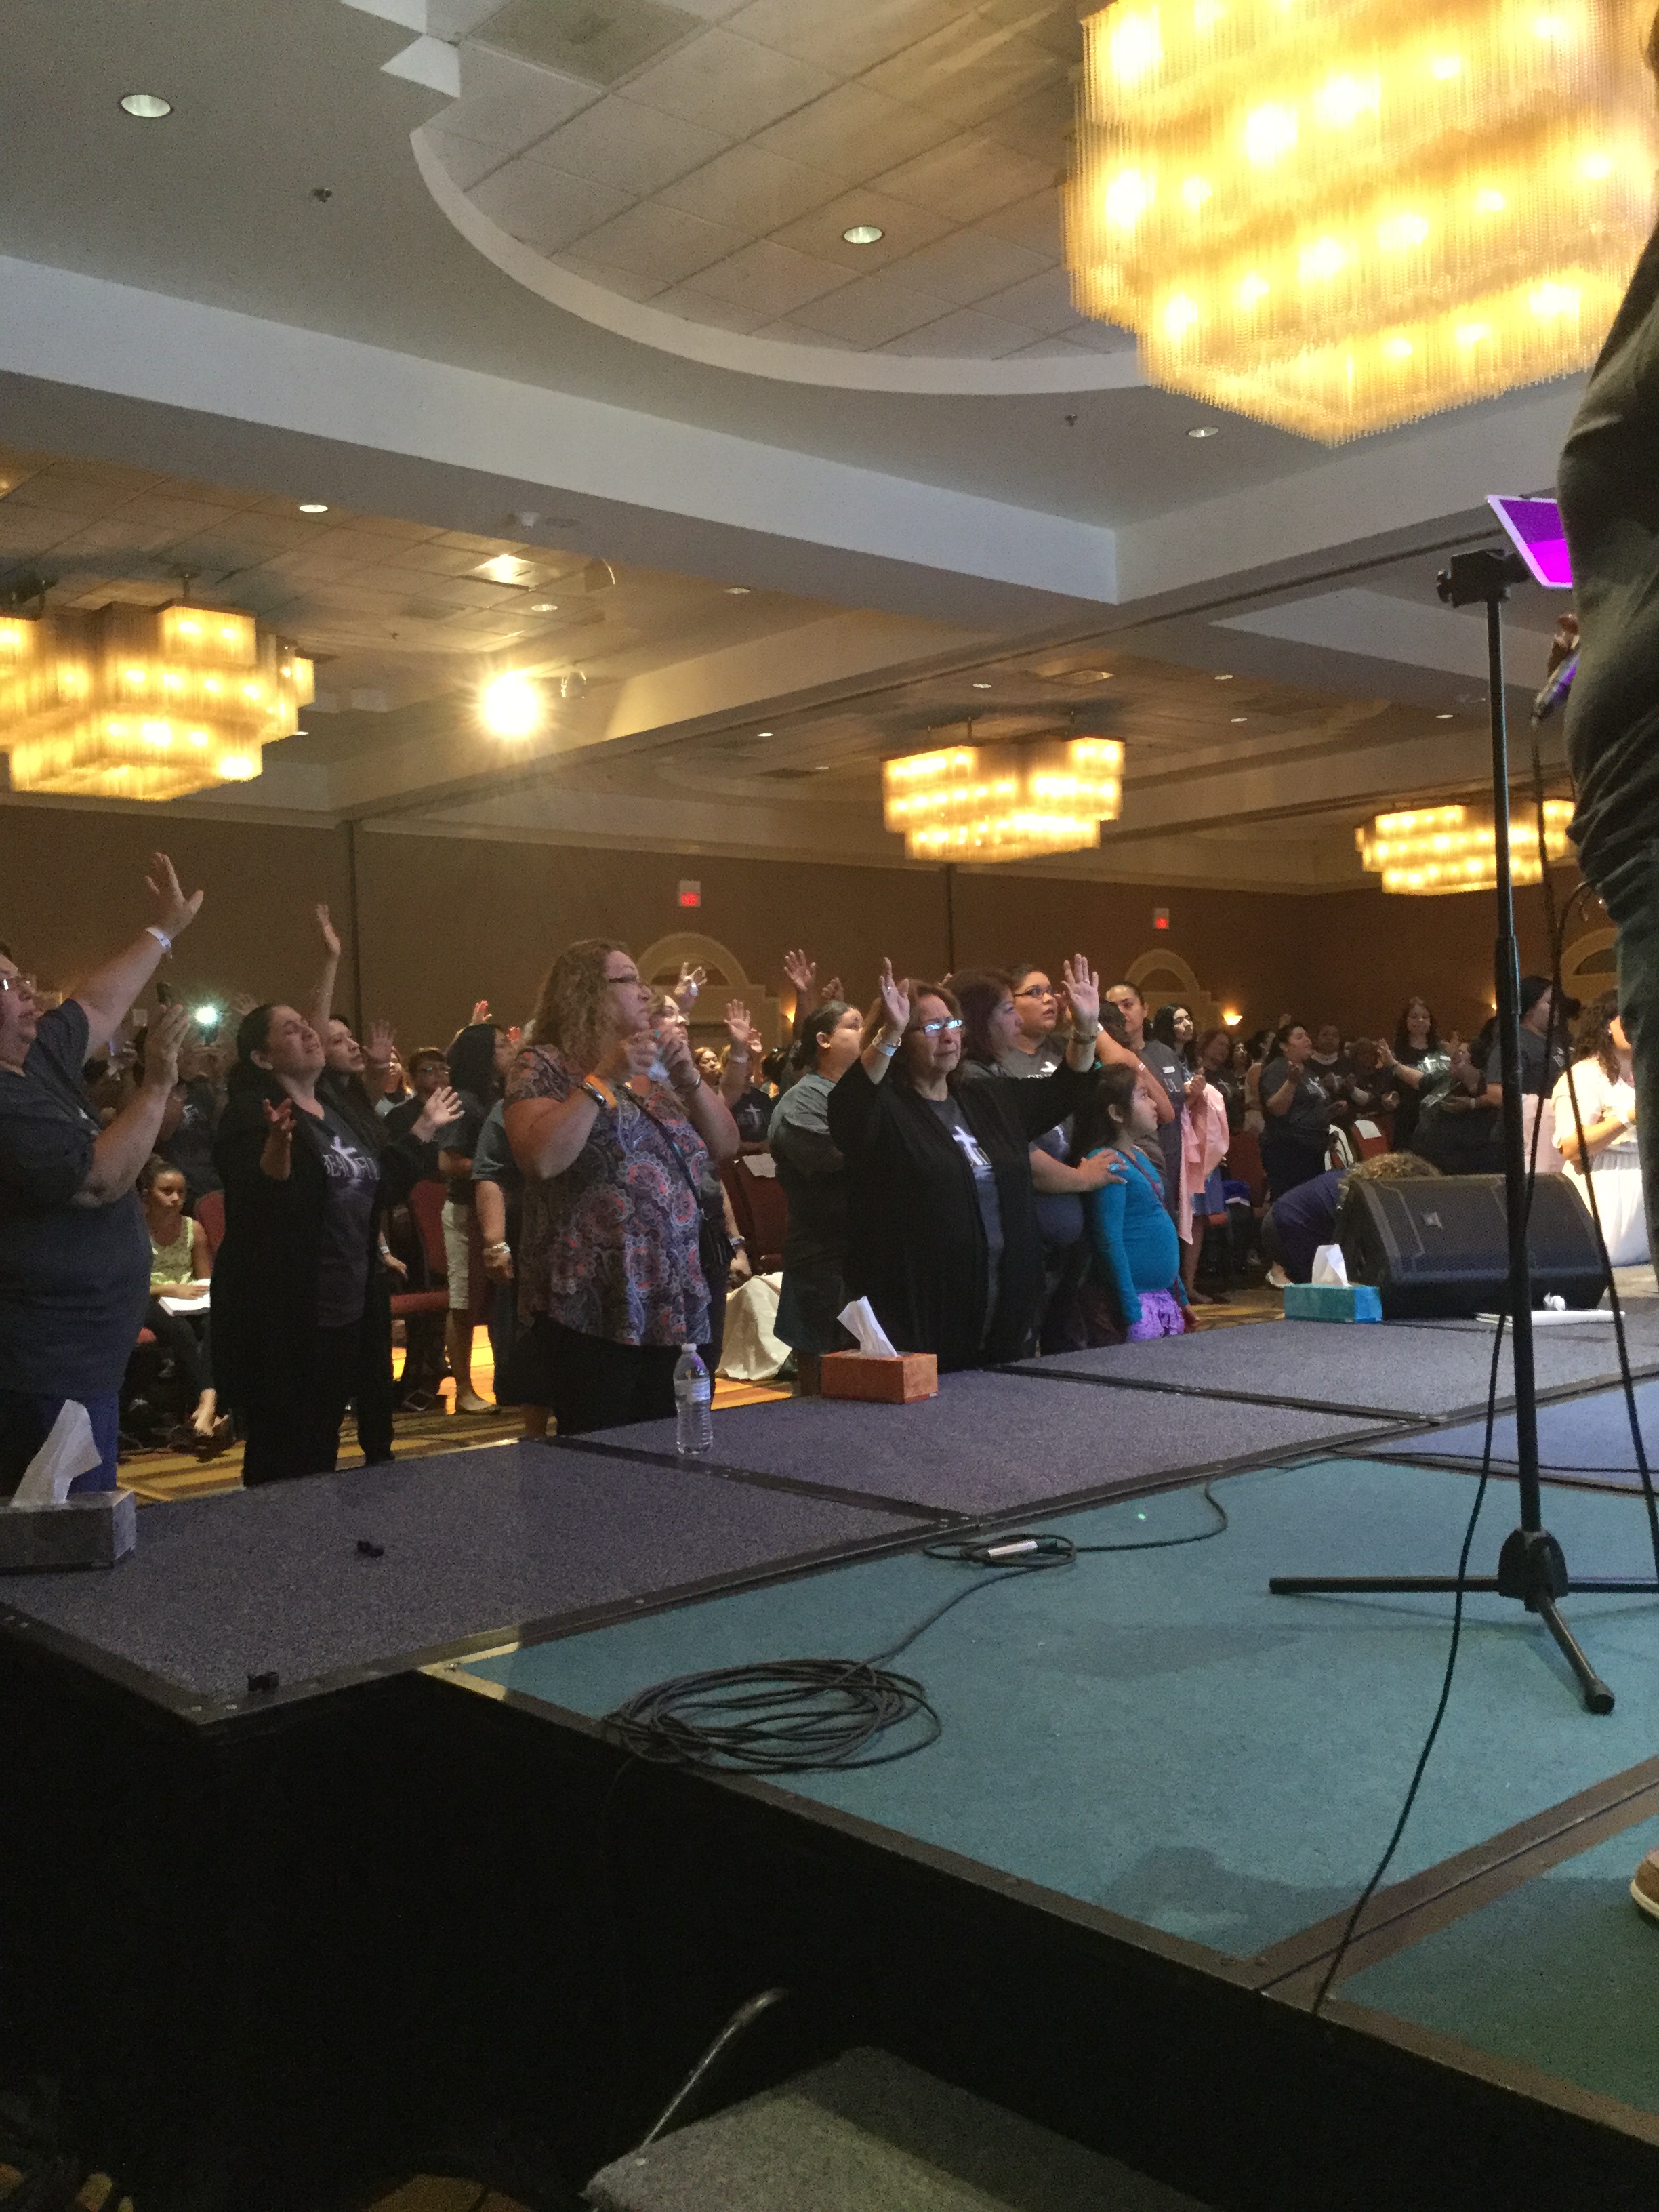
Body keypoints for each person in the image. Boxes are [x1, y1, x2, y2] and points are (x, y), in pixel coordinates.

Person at [0, 853, 203, 1495]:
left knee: (83, 1523)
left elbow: (96, 1001)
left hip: (84, 1360)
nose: (26, 991)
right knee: (55, 1532)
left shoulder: (34, 1059)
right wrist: (158, 1081)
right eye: (5, 983)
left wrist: (165, 930)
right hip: (41, 1368)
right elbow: (99, 1180)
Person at [211, 1003, 461, 1483]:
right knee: (281, 1456)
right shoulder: (250, 1113)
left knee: (322, 1445)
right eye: (292, 1030)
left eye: (309, 1026)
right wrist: (277, 1151)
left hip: (348, 1303)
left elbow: (379, 1186)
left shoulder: (335, 1108)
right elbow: (259, 1203)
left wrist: (424, 1128)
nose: (309, 1033)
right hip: (286, 1312)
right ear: (263, 1058)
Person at [827, 957, 1115, 1370]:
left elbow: (1065, 1089)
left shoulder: (985, 1098)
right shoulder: (885, 1111)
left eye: (954, 1024)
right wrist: (889, 1033)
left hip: (1005, 1307)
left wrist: (1086, 1028)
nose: (949, 1036)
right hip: (923, 1311)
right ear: (901, 1039)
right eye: (931, 1028)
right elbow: (848, 1108)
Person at [504, 940, 740, 1435]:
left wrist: (689, 1078)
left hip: (673, 1293)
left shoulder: (656, 1072)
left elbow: (725, 1144)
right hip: (594, 1298)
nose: (645, 991)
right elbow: (542, 1159)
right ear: (586, 992)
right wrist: (604, 1077)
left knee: (670, 1439)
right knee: (600, 1446)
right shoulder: (543, 1065)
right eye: (629, 979)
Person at [769, 998, 863, 1394]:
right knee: (822, 1372)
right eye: (854, 1025)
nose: (865, 1033)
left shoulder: (863, 1092)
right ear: (824, 1040)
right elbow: (842, 1161)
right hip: (823, 1252)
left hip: (862, 1247)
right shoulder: (802, 1101)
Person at [1072, 1062, 1189, 1340]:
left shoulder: (1139, 1156)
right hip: (1134, 1304)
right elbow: (1109, 1240)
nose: (1154, 1104)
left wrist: (1181, 1297)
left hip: (1161, 1297)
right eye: (1143, 1096)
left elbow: (1160, 1225)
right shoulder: (1108, 1162)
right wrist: (1130, 1311)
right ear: (1116, 1113)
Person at [437, 1019, 516, 1414]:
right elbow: (448, 1162)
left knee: (492, 1299)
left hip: (487, 1208)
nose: (510, 1050)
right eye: (501, 1045)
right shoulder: (465, 1100)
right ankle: (464, 1389)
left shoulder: (497, 1096)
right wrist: (495, 1167)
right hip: (465, 1210)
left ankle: (503, 1381)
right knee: (464, 1301)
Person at [137, 1156, 228, 1452]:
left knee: (216, 1321)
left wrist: (200, 1293)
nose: (176, 1198)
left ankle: (206, 1406)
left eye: (181, 1192)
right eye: (167, 1191)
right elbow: (130, 1284)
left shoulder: (193, 1229)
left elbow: (205, 1279)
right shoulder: (136, 1230)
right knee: (180, 1330)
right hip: (150, 1297)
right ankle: (209, 1401)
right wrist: (170, 1288)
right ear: (148, 1194)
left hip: (189, 1298)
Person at [1552, 989, 1647, 1266]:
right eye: (1629, 1018)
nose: (1639, 1026)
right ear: (1607, 1026)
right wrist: (1628, 1117)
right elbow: (1571, 1146)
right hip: (1606, 1195)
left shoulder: (1647, 1075)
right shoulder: (1584, 1076)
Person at [1261, 1152, 1442, 1286]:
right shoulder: (1368, 1193)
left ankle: (1282, 1271)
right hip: (1288, 1224)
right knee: (1330, 1289)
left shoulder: (1371, 1181)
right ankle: (1281, 1273)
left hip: (1297, 1218)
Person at [1105, 982, 1183, 1216]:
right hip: (1119, 1158)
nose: (1121, 1014)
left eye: (1127, 1005)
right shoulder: (1097, 1056)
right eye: (1113, 1008)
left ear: (1145, 1009)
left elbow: (1167, 1111)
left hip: (1158, 1154)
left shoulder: (1154, 1054)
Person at [1258, 1023, 1334, 1199]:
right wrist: (1291, 1082)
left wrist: (1331, 1112)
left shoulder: (1309, 1071)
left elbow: (1308, 1108)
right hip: (1289, 1151)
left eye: (1307, 1036)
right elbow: (1276, 1109)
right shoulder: (1277, 1068)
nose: (1307, 1040)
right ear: (1284, 1046)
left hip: (1313, 1151)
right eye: (1299, 1037)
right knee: (1293, 1203)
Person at [1378, 998, 1445, 1153]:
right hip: (1409, 1124)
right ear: (1406, 1022)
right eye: (1414, 1016)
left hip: (1440, 1122)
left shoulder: (1441, 1051)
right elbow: (1386, 1091)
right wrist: (1389, 1099)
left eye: (1425, 1017)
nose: (1420, 1020)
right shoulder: (1395, 1054)